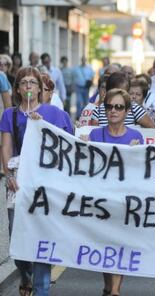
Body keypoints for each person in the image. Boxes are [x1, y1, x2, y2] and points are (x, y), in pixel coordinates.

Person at [0, 66, 73, 296]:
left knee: (42, 239)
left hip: (46, 187)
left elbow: (69, 148)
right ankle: (25, 273)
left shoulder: (55, 114)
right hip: (19, 185)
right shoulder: (9, 114)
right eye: (24, 83)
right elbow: (6, 147)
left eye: (33, 82)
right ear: (18, 89)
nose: (29, 86)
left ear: (41, 88)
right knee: (18, 241)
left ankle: (41, 289)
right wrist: (9, 175)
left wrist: (42, 127)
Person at [85, 88, 143, 296]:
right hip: (101, 200)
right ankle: (109, 285)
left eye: (119, 107)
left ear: (127, 111)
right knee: (104, 245)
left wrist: (136, 154)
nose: (113, 111)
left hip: (124, 202)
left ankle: (116, 290)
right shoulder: (95, 134)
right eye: (109, 106)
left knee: (120, 244)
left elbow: (143, 171)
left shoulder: (136, 137)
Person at [91, 71, 155, 128]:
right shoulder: (98, 110)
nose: (123, 95)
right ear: (109, 91)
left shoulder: (133, 107)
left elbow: (152, 128)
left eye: (126, 92)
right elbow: (94, 135)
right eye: (119, 92)